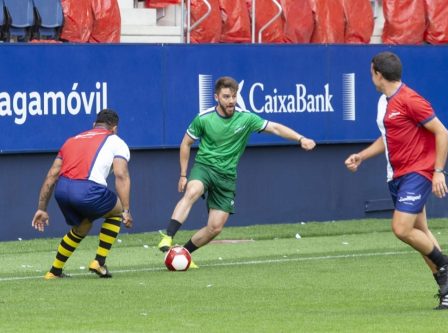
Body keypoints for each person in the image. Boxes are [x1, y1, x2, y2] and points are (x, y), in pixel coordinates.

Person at [345, 52, 448, 310]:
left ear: (378, 73)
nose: (371, 77)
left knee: (401, 228)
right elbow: (386, 138)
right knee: (420, 232)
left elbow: (442, 132)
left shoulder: (410, 99)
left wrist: (438, 171)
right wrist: (361, 156)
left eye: (371, 73)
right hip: (396, 176)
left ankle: (445, 264)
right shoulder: (383, 102)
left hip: (417, 172)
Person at [157, 76, 316, 267]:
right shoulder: (204, 118)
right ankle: (168, 236)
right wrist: (183, 174)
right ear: (216, 97)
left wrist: (300, 138)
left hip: (227, 176)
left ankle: (183, 253)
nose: (231, 100)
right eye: (226, 96)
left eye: (233, 96)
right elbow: (186, 143)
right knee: (193, 191)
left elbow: (274, 127)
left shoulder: (246, 118)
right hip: (205, 167)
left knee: (215, 227)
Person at [32, 109, 133, 279]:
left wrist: (42, 208)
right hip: (88, 190)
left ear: (94, 125)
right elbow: (121, 175)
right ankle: (99, 262)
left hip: (62, 191)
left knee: (82, 226)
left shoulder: (71, 140)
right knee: (116, 210)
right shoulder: (116, 141)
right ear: (114, 128)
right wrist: (126, 210)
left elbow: (51, 175)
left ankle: (54, 271)